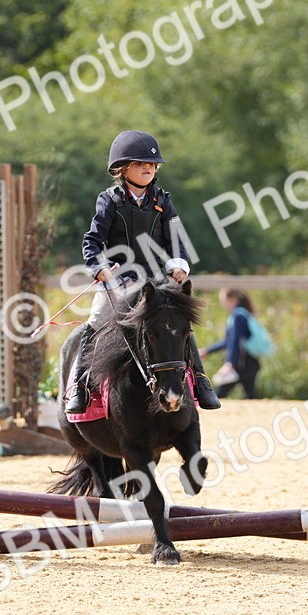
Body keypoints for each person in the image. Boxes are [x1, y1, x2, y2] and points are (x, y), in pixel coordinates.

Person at [64, 130, 221, 413]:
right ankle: (80, 385)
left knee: (178, 320)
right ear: (123, 168)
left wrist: (179, 264)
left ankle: (200, 380)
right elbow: (93, 241)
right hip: (118, 279)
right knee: (96, 320)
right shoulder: (109, 200)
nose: (148, 168)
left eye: (152, 164)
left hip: (154, 282)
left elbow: (177, 239)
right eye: (140, 163)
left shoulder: (163, 200)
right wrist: (99, 268)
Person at [200, 288, 261, 399]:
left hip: (241, 364)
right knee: (251, 396)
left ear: (233, 299)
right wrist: (208, 351)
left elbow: (234, 340)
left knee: (217, 395)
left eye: (223, 300)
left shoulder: (237, 316)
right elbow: (229, 341)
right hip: (251, 362)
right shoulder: (243, 314)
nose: (222, 303)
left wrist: (230, 364)